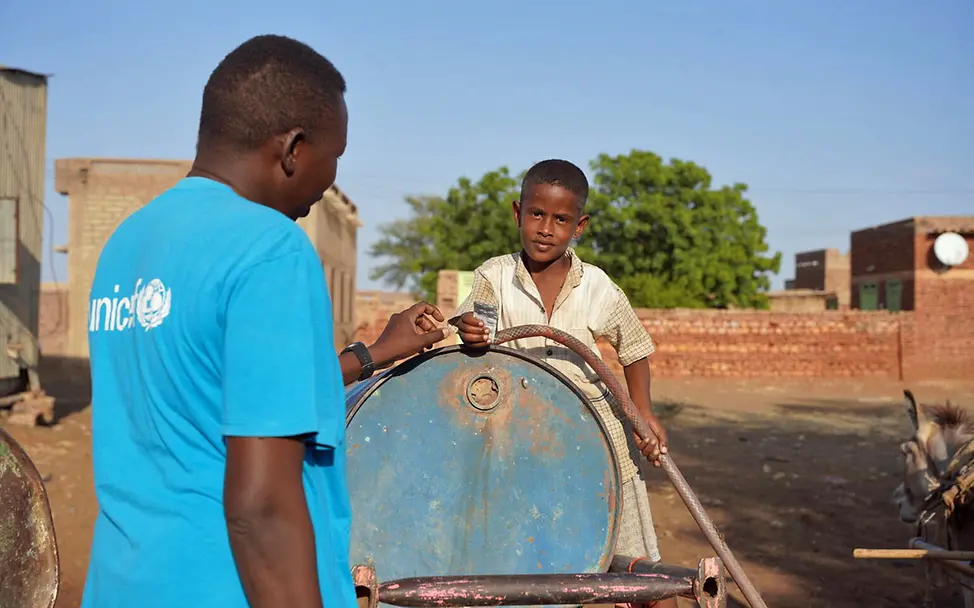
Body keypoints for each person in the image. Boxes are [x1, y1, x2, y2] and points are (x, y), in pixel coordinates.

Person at [81, 35, 449, 608]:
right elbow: (262, 507)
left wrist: (374, 353)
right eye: (336, 155)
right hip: (225, 588)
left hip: (125, 584)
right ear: (293, 149)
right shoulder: (270, 248)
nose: (331, 177)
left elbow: (212, 394)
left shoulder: (128, 243)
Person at [450, 159, 676, 608]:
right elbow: (475, 319)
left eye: (560, 219)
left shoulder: (597, 286)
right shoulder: (494, 276)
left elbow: (634, 348)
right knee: (535, 550)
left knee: (636, 562)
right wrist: (470, 329)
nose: (546, 229)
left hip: (599, 435)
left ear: (579, 226)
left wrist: (643, 412)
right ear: (517, 214)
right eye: (536, 214)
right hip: (522, 434)